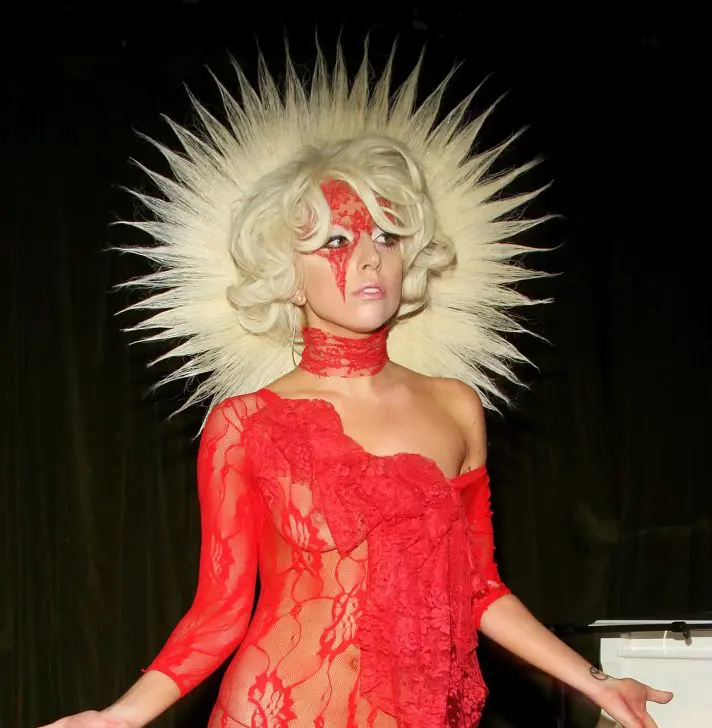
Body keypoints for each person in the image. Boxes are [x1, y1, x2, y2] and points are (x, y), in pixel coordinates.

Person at [41, 43, 673, 728]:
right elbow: (218, 613)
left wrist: (597, 682)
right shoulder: (245, 423)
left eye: (388, 237)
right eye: (337, 242)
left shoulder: (455, 406)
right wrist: (119, 718)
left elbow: (479, 589)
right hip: (274, 713)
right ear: (289, 273)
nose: (369, 258)